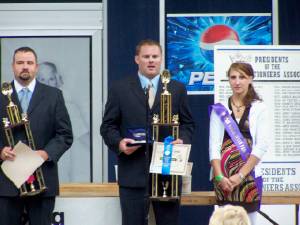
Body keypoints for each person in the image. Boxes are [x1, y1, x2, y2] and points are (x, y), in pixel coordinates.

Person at [100, 39, 194, 225]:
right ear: (137, 59)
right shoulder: (119, 89)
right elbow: (108, 126)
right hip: (133, 173)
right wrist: (119, 143)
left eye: (155, 56)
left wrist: (181, 140)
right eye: (146, 56)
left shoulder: (177, 89)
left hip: (167, 173)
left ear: (161, 59)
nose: (151, 60)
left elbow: (188, 124)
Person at [0, 46, 73, 225]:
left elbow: (65, 135)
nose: (25, 67)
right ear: (12, 66)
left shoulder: (54, 95)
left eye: (29, 63)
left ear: (36, 67)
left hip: (43, 182)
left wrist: (45, 154)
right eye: (20, 62)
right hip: (7, 183)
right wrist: (0, 151)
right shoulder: (1, 96)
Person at [209, 62, 270, 225]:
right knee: (224, 221)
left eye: (242, 77)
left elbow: (261, 146)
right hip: (224, 180)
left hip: (248, 178)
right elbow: (213, 146)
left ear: (250, 79)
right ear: (228, 80)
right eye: (233, 77)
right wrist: (220, 176)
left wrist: (241, 175)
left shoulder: (259, 108)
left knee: (249, 222)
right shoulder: (219, 109)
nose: (237, 82)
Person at [36, 61, 89, 182]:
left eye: (51, 79)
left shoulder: (69, 106)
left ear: (57, 80)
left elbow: (84, 139)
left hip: (65, 166)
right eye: (42, 79)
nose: (48, 83)